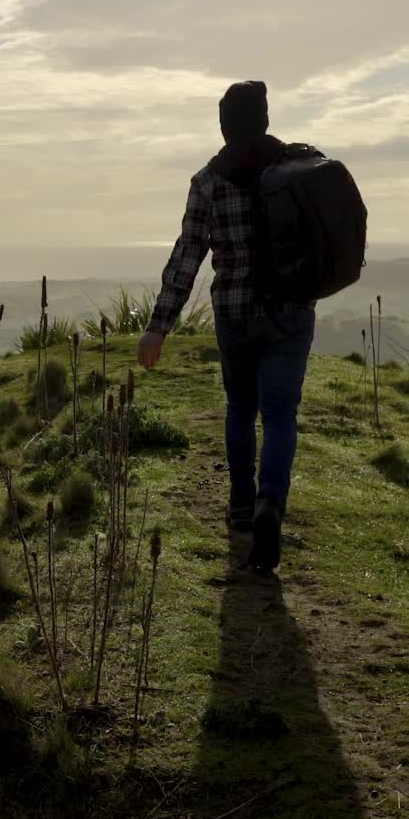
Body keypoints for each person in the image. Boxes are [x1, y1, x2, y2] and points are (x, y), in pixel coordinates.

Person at [137, 80, 316, 573]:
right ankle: (270, 505)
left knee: (240, 409)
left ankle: (241, 506)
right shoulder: (296, 169)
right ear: (263, 118)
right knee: (281, 416)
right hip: (290, 314)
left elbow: (187, 256)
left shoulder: (208, 181)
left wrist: (158, 326)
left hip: (235, 316)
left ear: (224, 124)